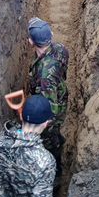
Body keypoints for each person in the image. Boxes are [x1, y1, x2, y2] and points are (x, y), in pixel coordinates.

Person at [27, 17, 69, 174]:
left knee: (50, 142)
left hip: (52, 111)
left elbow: (49, 107)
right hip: (60, 92)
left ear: (31, 42)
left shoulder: (45, 76)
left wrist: (42, 127)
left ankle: (55, 172)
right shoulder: (60, 49)